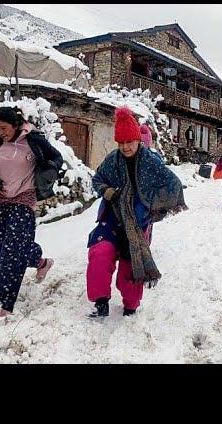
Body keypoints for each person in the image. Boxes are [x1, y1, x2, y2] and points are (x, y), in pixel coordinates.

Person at [86, 107, 187, 318]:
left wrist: (153, 207)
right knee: (99, 253)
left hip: (139, 221)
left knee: (130, 263)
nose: (125, 147)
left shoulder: (151, 162)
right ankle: (100, 301)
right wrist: (107, 191)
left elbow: (173, 185)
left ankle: (130, 305)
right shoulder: (113, 160)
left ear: (137, 140)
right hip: (112, 216)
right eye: (121, 142)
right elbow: (97, 179)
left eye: (129, 142)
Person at [0, 106, 63, 317]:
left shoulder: (33, 140)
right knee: (1, 253)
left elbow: (56, 158)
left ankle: (6, 304)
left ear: (16, 125)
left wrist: (47, 171)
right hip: (2, 199)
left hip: (24, 199)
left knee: (12, 252)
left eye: (3, 128)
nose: (0, 132)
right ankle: (42, 262)